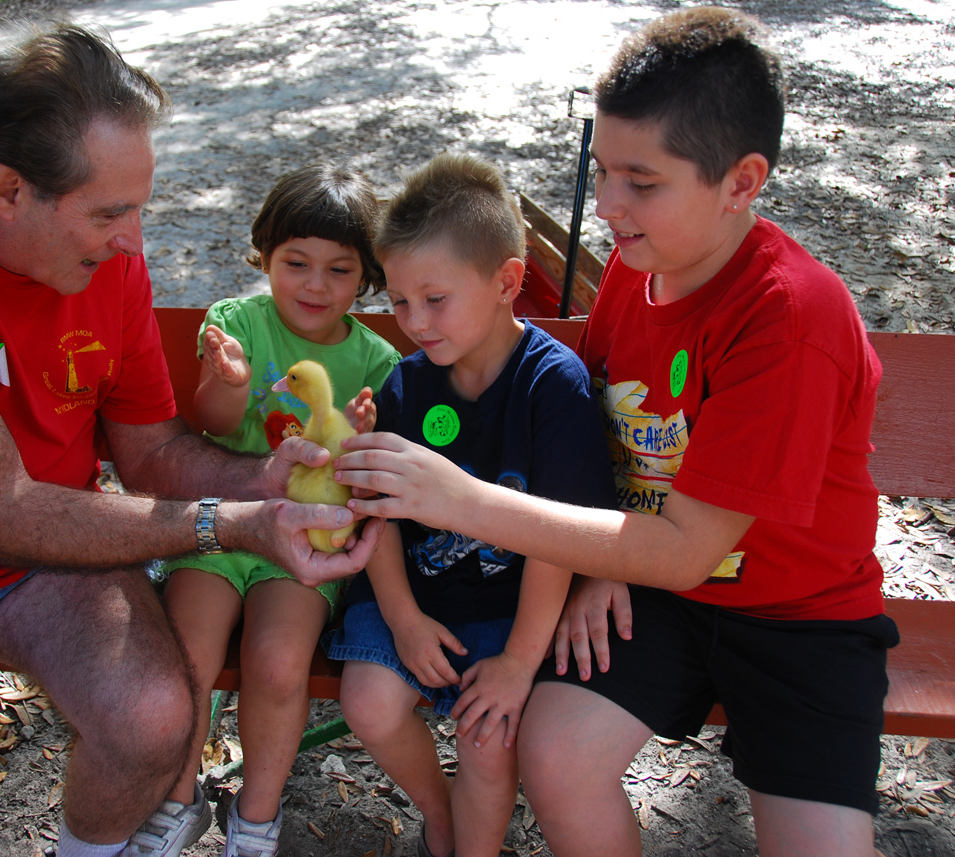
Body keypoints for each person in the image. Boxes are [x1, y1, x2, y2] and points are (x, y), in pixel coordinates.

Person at [0, 24, 379, 857]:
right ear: (7, 189)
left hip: (44, 554)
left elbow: (150, 448)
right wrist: (227, 522)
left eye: (138, 208)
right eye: (111, 212)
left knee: (152, 719)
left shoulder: (104, 260)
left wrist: (269, 476)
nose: (133, 242)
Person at [335, 9, 896, 857]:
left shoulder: (789, 318)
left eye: (642, 180)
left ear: (741, 182)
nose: (607, 206)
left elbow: (681, 549)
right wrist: (598, 569)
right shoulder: (641, 277)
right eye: (603, 171)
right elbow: (599, 453)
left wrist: (461, 499)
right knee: (554, 756)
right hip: (657, 599)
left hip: (797, 620)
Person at [322, 153, 616, 857]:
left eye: (435, 298)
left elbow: (554, 537)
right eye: (397, 301)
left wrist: (520, 660)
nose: (414, 322)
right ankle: (441, 816)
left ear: (506, 281)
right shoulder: (406, 385)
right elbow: (379, 514)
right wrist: (402, 616)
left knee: (490, 740)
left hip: (513, 609)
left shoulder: (553, 385)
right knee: (367, 701)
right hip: (414, 594)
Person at [131, 163, 400, 857]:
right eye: (296, 262)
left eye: (338, 270)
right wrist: (229, 382)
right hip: (221, 527)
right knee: (187, 647)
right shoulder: (236, 323)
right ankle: (178, 795)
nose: (315, 285)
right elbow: (209, 419)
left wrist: (366, 438)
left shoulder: (374, 358)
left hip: (306, 540)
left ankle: (256, 814)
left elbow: (366, 474)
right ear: (266, 256)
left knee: (279, 660)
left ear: (365, 277)